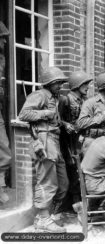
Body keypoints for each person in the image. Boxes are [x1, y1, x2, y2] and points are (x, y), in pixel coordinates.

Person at [19, 66, 69, 233]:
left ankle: (51, 214)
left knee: (63, 183)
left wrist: (64, 124)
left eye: (61, 82)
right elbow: (23, 115)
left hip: (54, 140)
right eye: (57, 83)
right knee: (47, 181)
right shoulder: (39, 95)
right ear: (49, 83)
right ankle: (42, 218)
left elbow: (55, 120)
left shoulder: (55, 97)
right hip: (44, 140)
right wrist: (45, 113)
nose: (60, 85)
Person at [58, 70, 92, 218]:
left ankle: (83, 201)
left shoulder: (85, 101)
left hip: (81, 138)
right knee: (72, 168)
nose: (87, 87)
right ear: (77, 85)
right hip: (68, 140)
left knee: (82, 168)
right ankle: (75, 201)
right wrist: (65, 124)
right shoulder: (65, 100)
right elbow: (57, 119)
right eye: (85, 84)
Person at [0, 21, 11, 204]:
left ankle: (0, 187)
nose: (4, 42)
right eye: (2, 38)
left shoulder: (1, 58)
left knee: (3, 148)